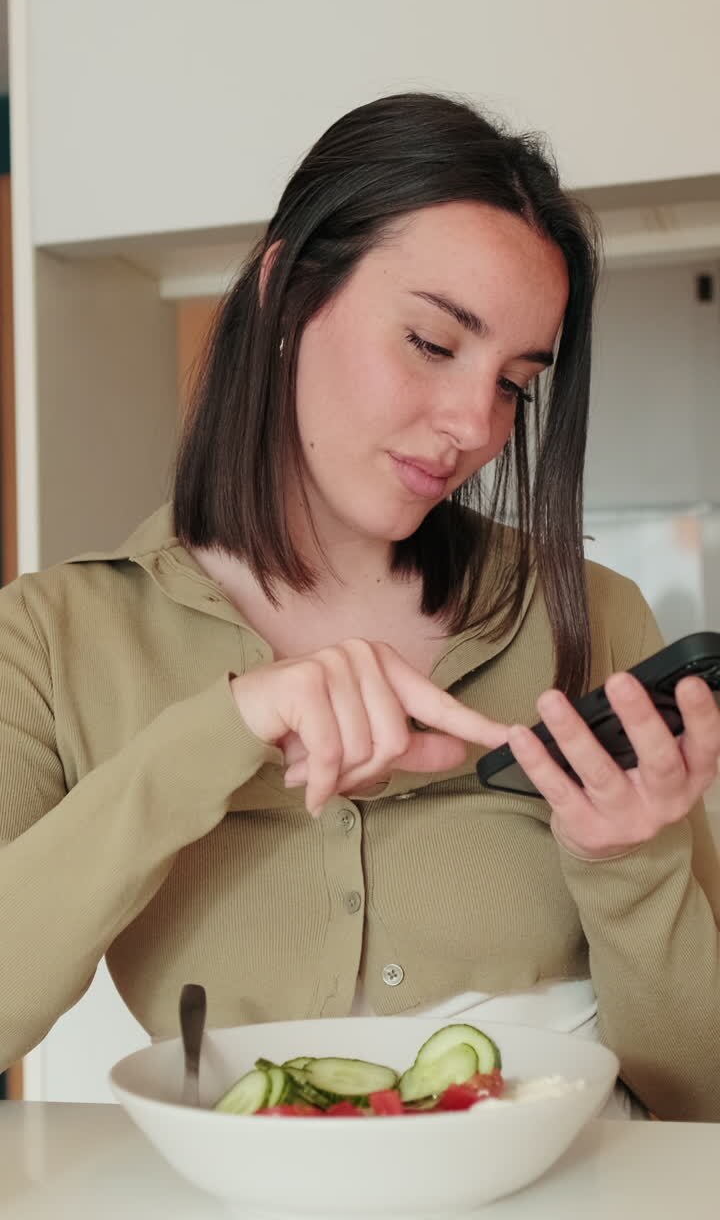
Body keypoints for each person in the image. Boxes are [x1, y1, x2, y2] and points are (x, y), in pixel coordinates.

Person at [1, 93, 719, 1121]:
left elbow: (702, 1104)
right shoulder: (54, 637)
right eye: (432, 342)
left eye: (515, 383)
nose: (474, 424)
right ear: (287, 291)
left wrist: (627, 864)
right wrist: (222, 730)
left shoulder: (591, 615)